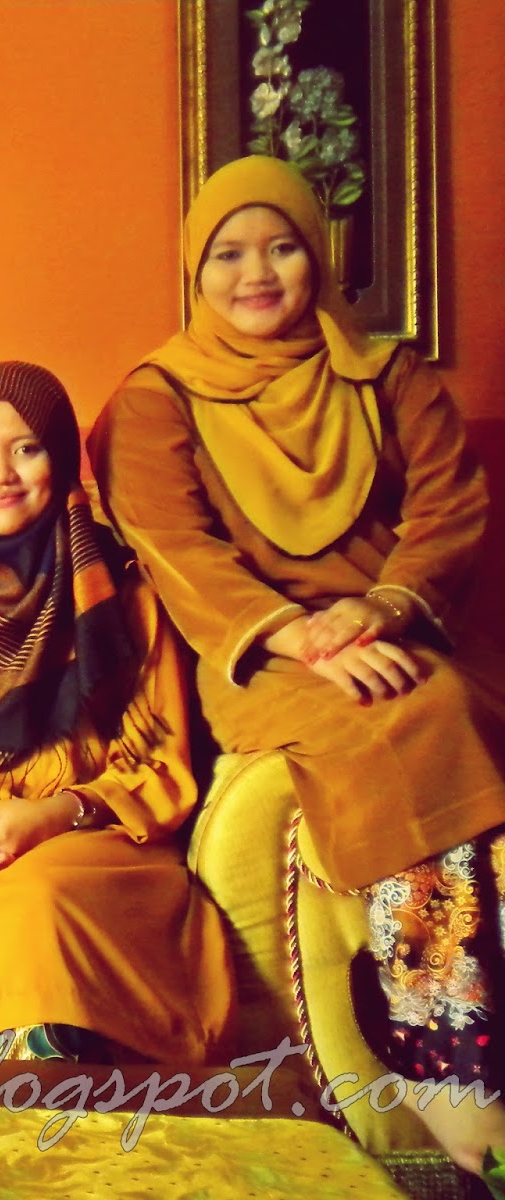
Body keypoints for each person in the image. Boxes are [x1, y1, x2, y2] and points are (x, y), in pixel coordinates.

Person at [89, 155, 505, 1182]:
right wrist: (299, 633)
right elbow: (175, 547)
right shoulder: (156, 398)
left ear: (318, 256)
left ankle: (443, 1038)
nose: (256, 273)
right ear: (195, 271)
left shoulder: (386, 375)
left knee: (432, 699)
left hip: (398, 631)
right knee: (415, 715)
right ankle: (443, 1049)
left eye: (280, 247)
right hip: (262, 662)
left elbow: (449, 507)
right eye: (228, 254)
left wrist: (380, 608)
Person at [0, 360, 230, 1064]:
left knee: (37, 903)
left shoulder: (123, 595)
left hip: (89, 838)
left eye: (27, 448)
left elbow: (163, 766)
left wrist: (51, 815)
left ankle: (56, 1116)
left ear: (63, 459)